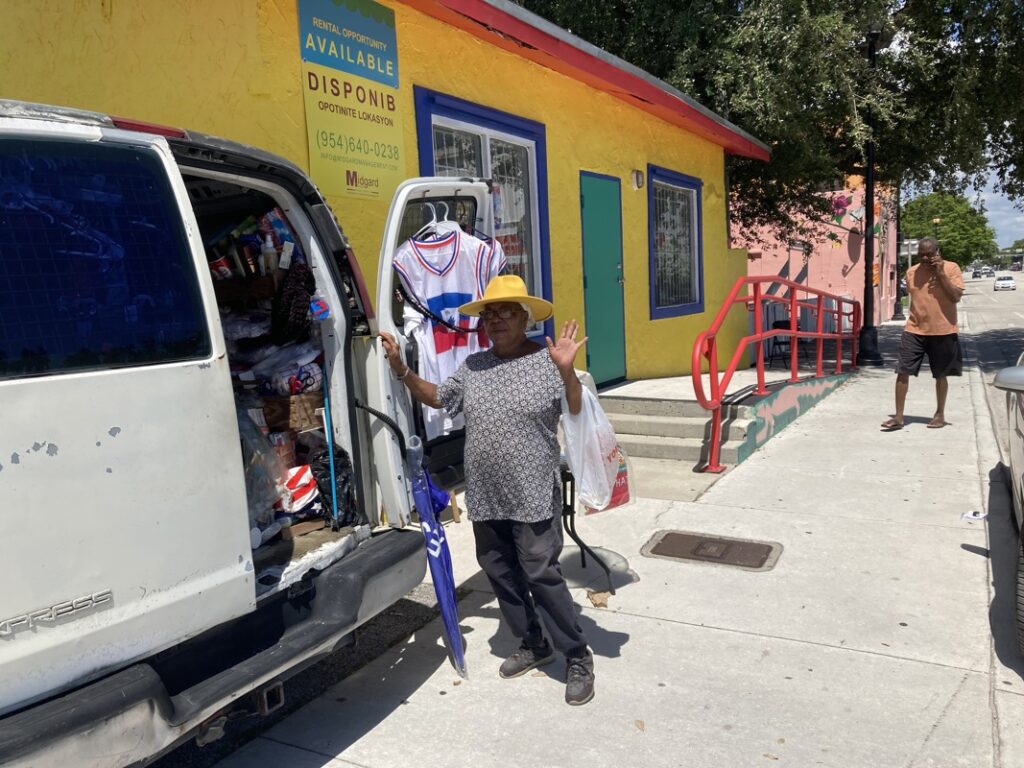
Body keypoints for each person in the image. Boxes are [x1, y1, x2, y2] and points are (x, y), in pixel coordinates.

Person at [379, 274, 597, 706]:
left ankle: (577, 654)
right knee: (500, 571)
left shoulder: (549, 361)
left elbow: (574, 409)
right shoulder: (474, 366)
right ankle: (534, 642)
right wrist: (401, 369)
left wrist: (568, 372)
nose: (495, 319)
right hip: (485, 493)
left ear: (525, 317)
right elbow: (439, 398)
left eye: (506, 312)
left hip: (533, 491)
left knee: (540, 572)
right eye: (489, 313)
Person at [881, 236, 964, 431]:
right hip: (914, 329)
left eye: (929, 254)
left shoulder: (952, 268)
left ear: (938, 252)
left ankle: (940, 414)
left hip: (943, 330)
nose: (925, 258)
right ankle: (899, 417)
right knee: (902, 371)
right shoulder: (911, 272)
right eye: (921, 255)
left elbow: (955, 297)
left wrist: (941, 273)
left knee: (940, 375)